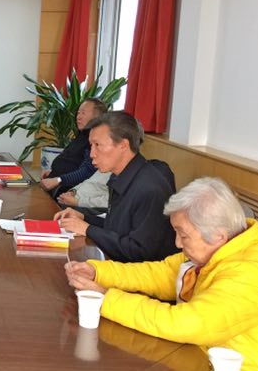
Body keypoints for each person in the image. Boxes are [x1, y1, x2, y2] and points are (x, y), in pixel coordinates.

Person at [65, 177, 258, 371]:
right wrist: (98, 271)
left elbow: (186, 323)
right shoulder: (221, 247)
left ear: (219, 236)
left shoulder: (253, 272)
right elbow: (161, 274)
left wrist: (106, 298)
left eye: (183, 234)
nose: (177, 243)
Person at [55, 111, 177, 262]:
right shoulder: (120, 176)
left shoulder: (149, 188)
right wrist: (84, 218)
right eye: (91, 145)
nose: (92, 154)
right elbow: (118, 228)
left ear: (123, 145)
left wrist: (87, 229)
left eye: (97, 145)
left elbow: (139, 251)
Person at [40, 98, 107, 196]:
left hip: (66, 192)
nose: (78, 117)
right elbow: (70, 161)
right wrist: (52, 173)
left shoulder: (95, 141)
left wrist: (58, 180)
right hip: (54, 183)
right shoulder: (82, 135)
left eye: (83, 113)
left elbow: (86, 172)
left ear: (97, 118)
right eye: (78, 113)